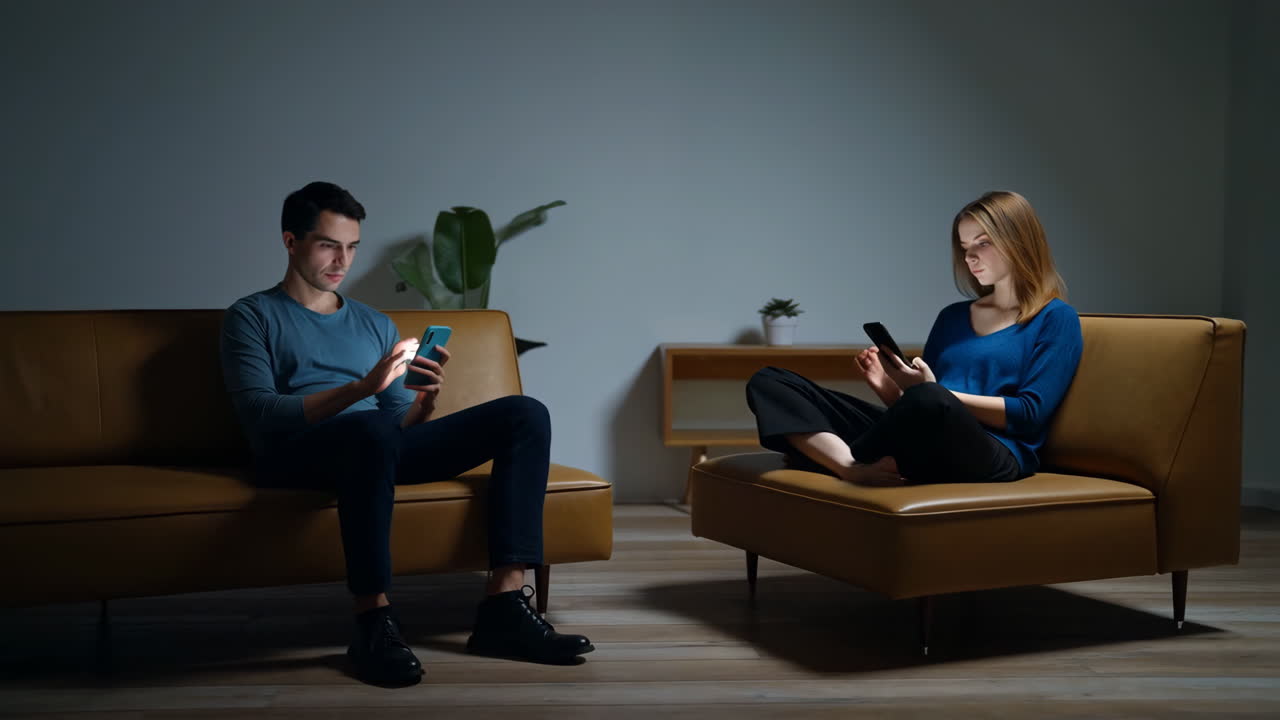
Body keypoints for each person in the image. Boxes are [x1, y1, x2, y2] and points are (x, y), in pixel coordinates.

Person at [219, 181, 592, 687]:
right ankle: (374, 621)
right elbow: (262, 411)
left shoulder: (373, 323)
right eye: (329, 244)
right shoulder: (252, 315)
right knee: (368, 430)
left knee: (524, 414)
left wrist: (426, 401)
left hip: (374, 443)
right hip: (299, 453)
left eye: (351, 246)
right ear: (291, 242)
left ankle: (504, 608)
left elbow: (398, 426)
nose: (342, 260)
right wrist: (362, 388)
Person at [746, 191, 1083, 487]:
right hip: (927, 433)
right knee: (771, 381)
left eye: (982, 243)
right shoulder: (952, 317)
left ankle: (839, 457)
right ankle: (849, 468)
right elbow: (918, 411)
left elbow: (1029, 415)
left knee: (932, 398)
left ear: (1018, 241)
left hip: (995, 452)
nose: (969, 257)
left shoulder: (1055, 318)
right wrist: (891, 389)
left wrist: (928, 391)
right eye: (965, 247)